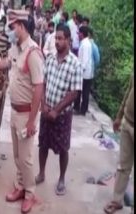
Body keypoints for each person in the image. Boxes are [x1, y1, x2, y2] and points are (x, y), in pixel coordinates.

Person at [0, 9, 44, 213]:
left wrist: (32, 121)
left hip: (26, 115)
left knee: (25, 158)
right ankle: (20, 187)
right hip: (15, 112)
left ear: (22, 27)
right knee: (17, 155)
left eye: (14, 27)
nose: (12, 31)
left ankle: (30, 194)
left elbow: (39, 88)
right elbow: (7, 63)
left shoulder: (33, 53)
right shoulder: (16, 49)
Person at [35, 23, 83, 196]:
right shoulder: (50, 58)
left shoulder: (75, 64)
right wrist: (43, 104)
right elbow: (44, 82)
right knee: (43, 144)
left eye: (60, 38)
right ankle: (41, 173)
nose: (57, 41)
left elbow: (74, 93)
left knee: (63, 148)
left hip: (62, 115)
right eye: (56, 38)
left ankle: (62, 179)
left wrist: (56, 110)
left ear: (69, 40)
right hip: (47, 110)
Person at [103, 74, 134, 214]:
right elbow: (128, 92)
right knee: (123, 166)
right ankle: (117, 200)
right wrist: (119, 116)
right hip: (128, 122)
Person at [73, 26, 93, 116]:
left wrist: (79, 70)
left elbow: (84, 61)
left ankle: (80, 109)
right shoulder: (86, 43)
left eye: (79, 33)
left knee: (82, 91)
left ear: (82, 33)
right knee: (84, 91)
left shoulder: (85, 44)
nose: (78, 35)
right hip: (86, 72)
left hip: (84, 72)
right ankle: (80, 108)